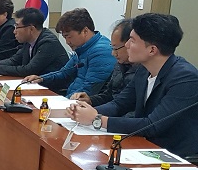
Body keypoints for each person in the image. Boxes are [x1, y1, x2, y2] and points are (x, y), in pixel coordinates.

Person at [68, 13, 198, 158]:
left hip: (175, 155)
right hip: (144, 146)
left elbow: (152, 125)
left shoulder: (185, 78)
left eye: (132, 40)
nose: (127, 45)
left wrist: (97, 119)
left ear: (152, 50)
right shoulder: (143, 70)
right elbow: (120, 104)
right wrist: (83, 112)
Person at [22, 7, 115, 96]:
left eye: (69, 37)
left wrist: (61, 101)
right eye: (65, 37)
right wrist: (41, 79)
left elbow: (88, 91)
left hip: (83, 103)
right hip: (71, 98)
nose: (67, 42)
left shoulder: (101, 52)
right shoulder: (82, 48)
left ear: (85, 31)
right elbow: (64, 73)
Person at [0, 7, 68, 77]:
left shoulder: (48, 43)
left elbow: (29, 70)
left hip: (52, 89)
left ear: (31, 29)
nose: (14, 31)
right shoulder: (28, 41)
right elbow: (14, 61)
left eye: (17, 27)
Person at [70, 18, 137, 106]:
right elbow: (108, 95)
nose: (113, 53)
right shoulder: (119, 65)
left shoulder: (142, 72)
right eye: (112, 48)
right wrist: (90, 100)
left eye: (116, 48)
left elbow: (121, 106)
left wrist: (96, 113)